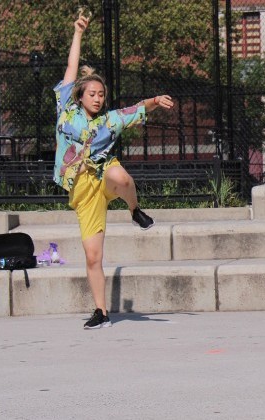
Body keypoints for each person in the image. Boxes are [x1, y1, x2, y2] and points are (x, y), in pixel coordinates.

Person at [53, 13, 174, 329]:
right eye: (92, 94)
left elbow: (135, 109)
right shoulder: (66, 108)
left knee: (121, 177)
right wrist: (78, 33)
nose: (97, 98)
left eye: (101, 94)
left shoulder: (109, 121)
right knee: (93, 256)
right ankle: (101, 312)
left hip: (105, 174)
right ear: (80, 96)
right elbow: (70, 68)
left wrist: (155, 100)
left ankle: (135, 210)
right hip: (83, 189)